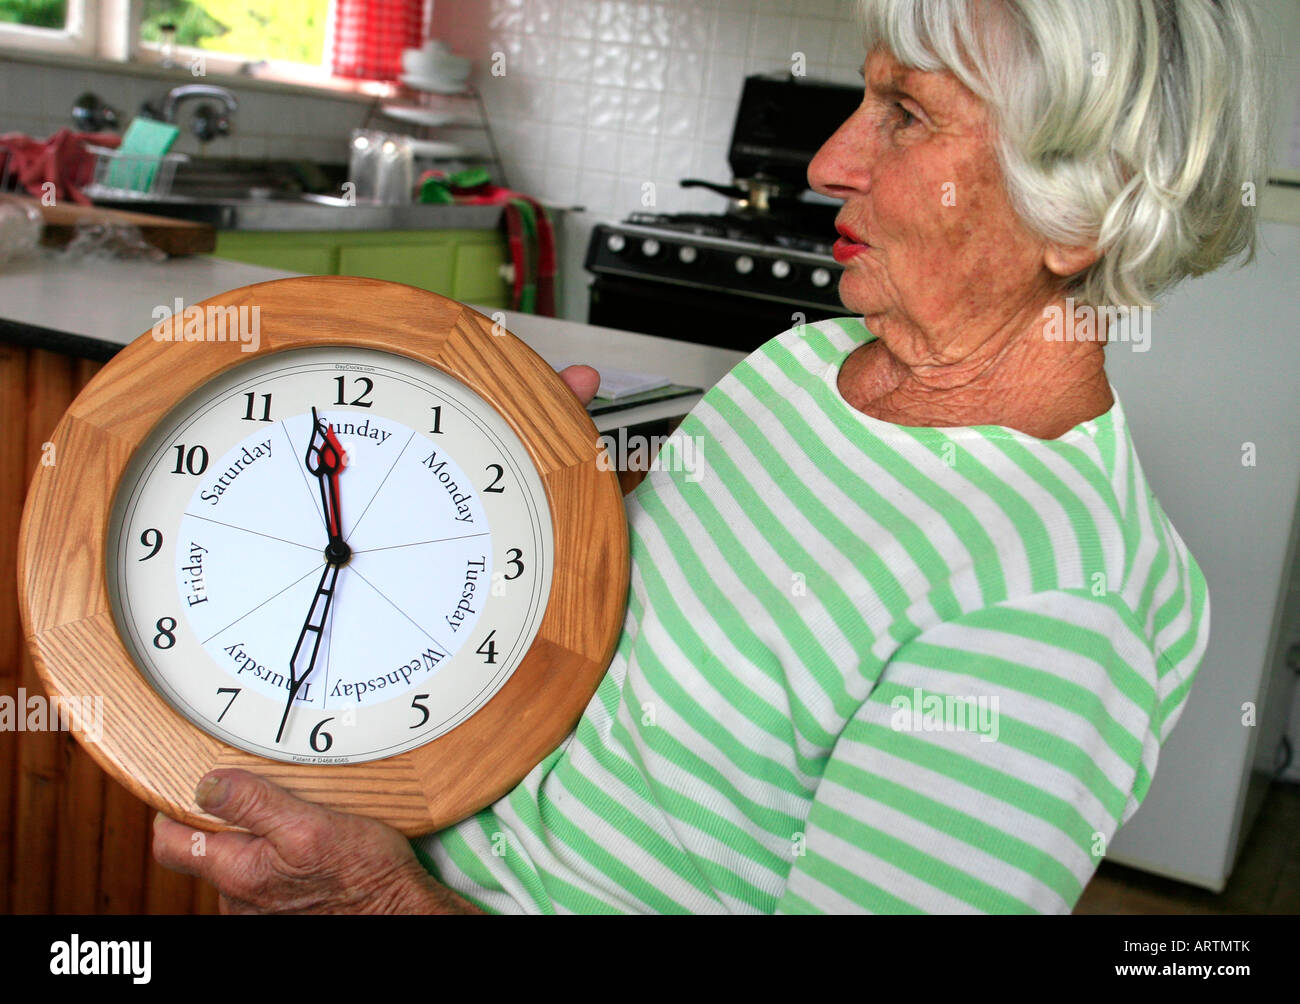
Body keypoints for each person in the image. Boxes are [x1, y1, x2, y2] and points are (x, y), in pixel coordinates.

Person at [154, 0, 1267, 913]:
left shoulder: (1054, 601)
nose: (828, 160)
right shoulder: (808, 367)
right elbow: (621, 674)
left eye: (906, 116)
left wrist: (386, 906)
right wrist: (527, 492)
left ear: (1080, 212)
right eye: (864, 97)